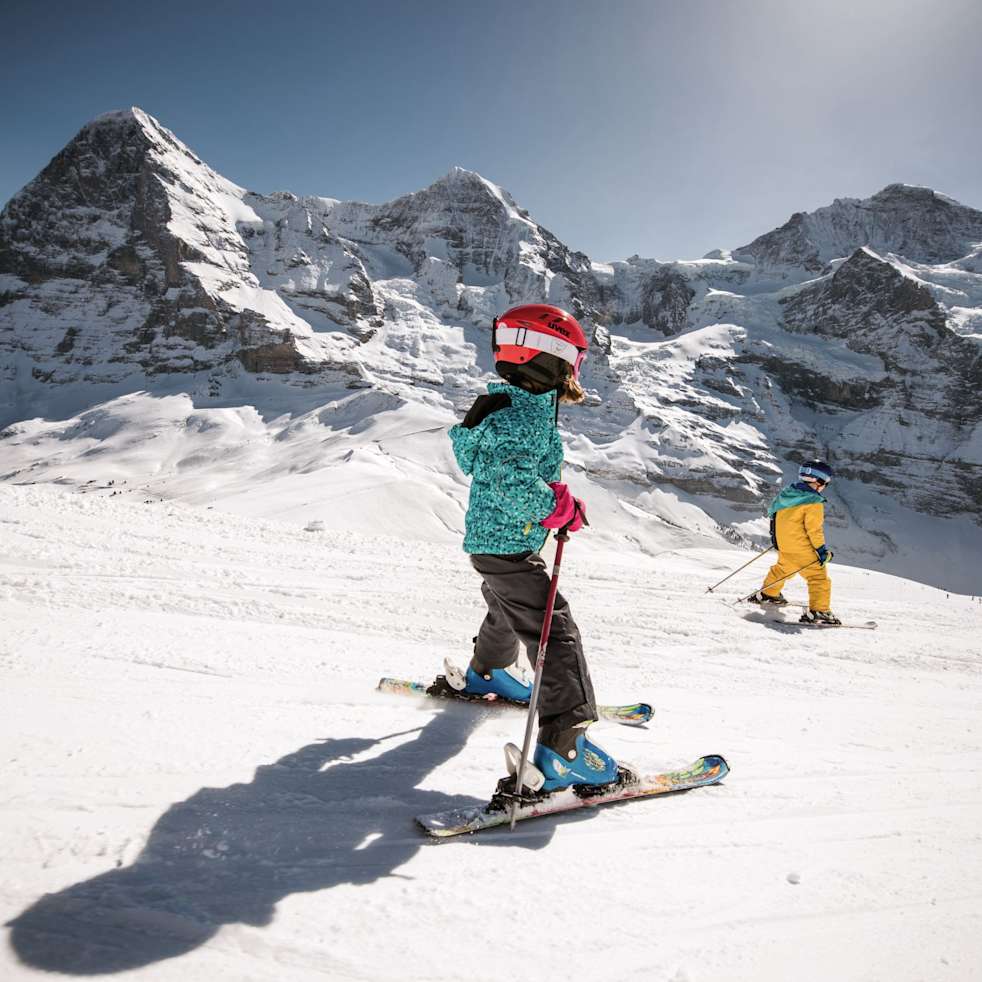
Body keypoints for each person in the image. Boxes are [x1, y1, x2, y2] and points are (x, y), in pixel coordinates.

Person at [439, 303, 619, 792]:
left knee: (505, 609)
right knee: (554, 632)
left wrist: (555, 501)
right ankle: (565, 749)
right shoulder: (523, 419)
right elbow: (509, 479)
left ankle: (489, 671)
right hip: (509, 545)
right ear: (553, 359)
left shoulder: (503, 408)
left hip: (493, 545)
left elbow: (490, 465)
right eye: (573, 363)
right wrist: (553, 509)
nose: (573, 373)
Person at [750, 460, 841, 625]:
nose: (824, 487)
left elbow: (774, 518)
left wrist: (776, 540)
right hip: (804, 549)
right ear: (818, 481)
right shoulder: (813, 502)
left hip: (785, 546)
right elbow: (814, 531)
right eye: (825, 483)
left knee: (782, 570)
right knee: (818, 578)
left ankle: (768, 594)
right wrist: (821, 551)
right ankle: (819, 611)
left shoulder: (786, 495)